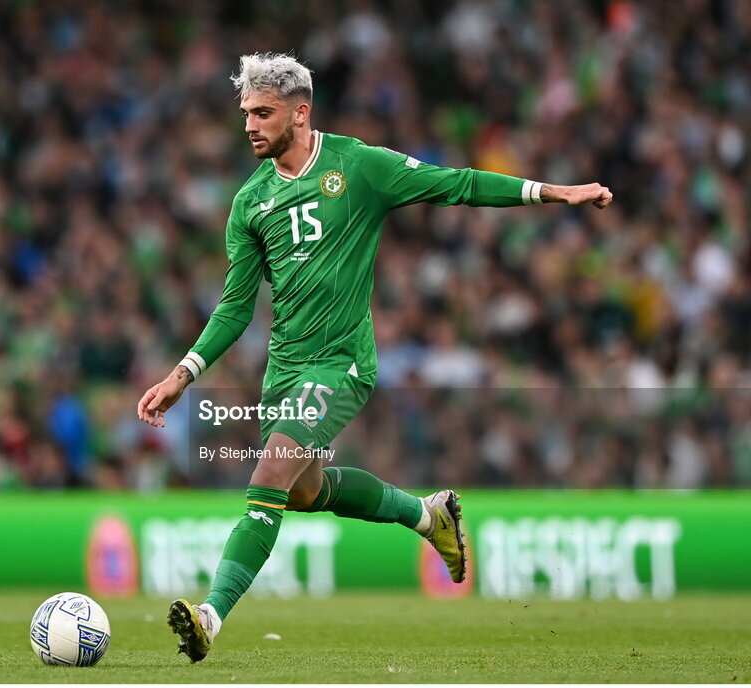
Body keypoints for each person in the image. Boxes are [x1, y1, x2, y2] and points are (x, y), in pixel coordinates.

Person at [137, 52, 612, 662]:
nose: (250, 125)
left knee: (267, 478)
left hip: (341, 364)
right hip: (284, 370)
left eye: (263, 112)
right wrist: (185, 373)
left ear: (300, 113)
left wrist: (553, 192)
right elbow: (235, 309)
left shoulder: (357, 166)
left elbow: (456, 184)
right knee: (303, 494)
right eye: (245, 114)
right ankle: (427, 516)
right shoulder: (249, 203)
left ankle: (210, 616)